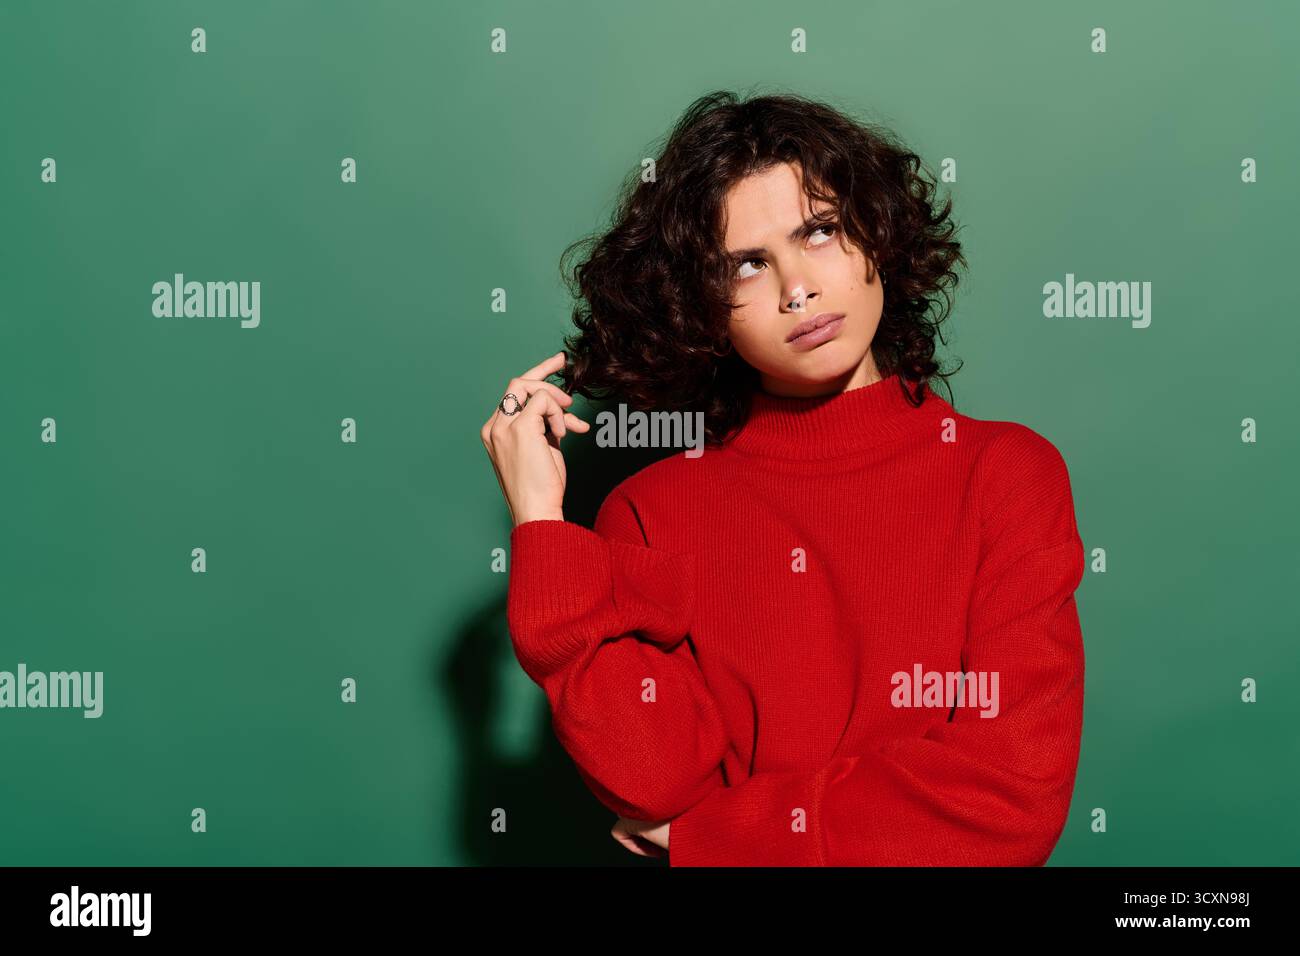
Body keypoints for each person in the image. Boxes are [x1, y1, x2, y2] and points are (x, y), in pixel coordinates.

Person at [480, 90, 1086, 866]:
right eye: (747, 264)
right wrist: (540, 522)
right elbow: (652, 784)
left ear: (878, 233)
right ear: (700, 305)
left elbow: (1008, 802)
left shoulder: (1005, 473)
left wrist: (722, 838)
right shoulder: (651, 509)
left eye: (821, 231)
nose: (796, 288)